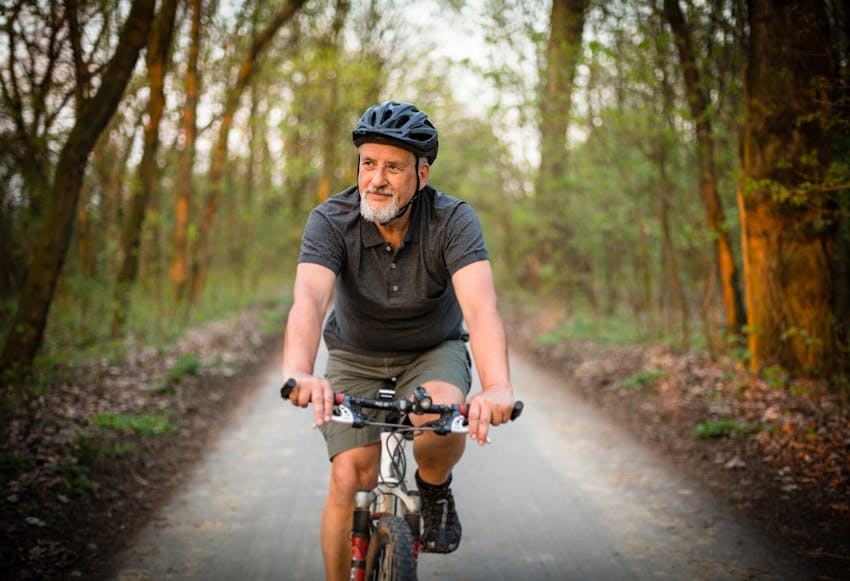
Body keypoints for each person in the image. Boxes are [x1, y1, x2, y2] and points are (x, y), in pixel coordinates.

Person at [281, 100, 515, 581]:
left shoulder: (453, 221)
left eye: (393, 166)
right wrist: (301, 371)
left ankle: (433, 488)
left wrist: (495, 387)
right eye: (369, 163)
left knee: (438, 419)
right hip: (354, 352)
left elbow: (481, 307)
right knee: (351, 474)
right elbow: (308, 297)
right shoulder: (330, 220)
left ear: (421, 175)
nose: (376, 179)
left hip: (432, 350)